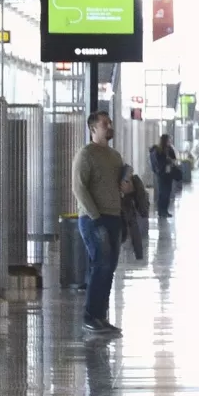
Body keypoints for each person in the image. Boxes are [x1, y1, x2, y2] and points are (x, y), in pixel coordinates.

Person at [71, 111, 127, 337]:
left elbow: (118, 186)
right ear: (93, 128)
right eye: (105, 124)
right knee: (100, 265)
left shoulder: (114, 156)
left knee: (109, 268)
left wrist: (127, 189)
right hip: (93, 219)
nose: (109, 126)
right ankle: (90, 316)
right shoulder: (85, 155)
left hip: (114, 216)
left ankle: (101, 316)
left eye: (110, 123)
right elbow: (79, 188)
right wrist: (95, 217)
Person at [149, 133, 178, 219]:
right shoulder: (158, 150)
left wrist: (171, 161)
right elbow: (158, 162)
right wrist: (167, 161)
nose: (170, 141)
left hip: (169, 173)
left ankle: (164, 210)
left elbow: (174, 159)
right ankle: (161, 210)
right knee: (163, 192)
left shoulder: (170, 149)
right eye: (169, 140)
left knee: (167, 192)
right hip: (161, 174)